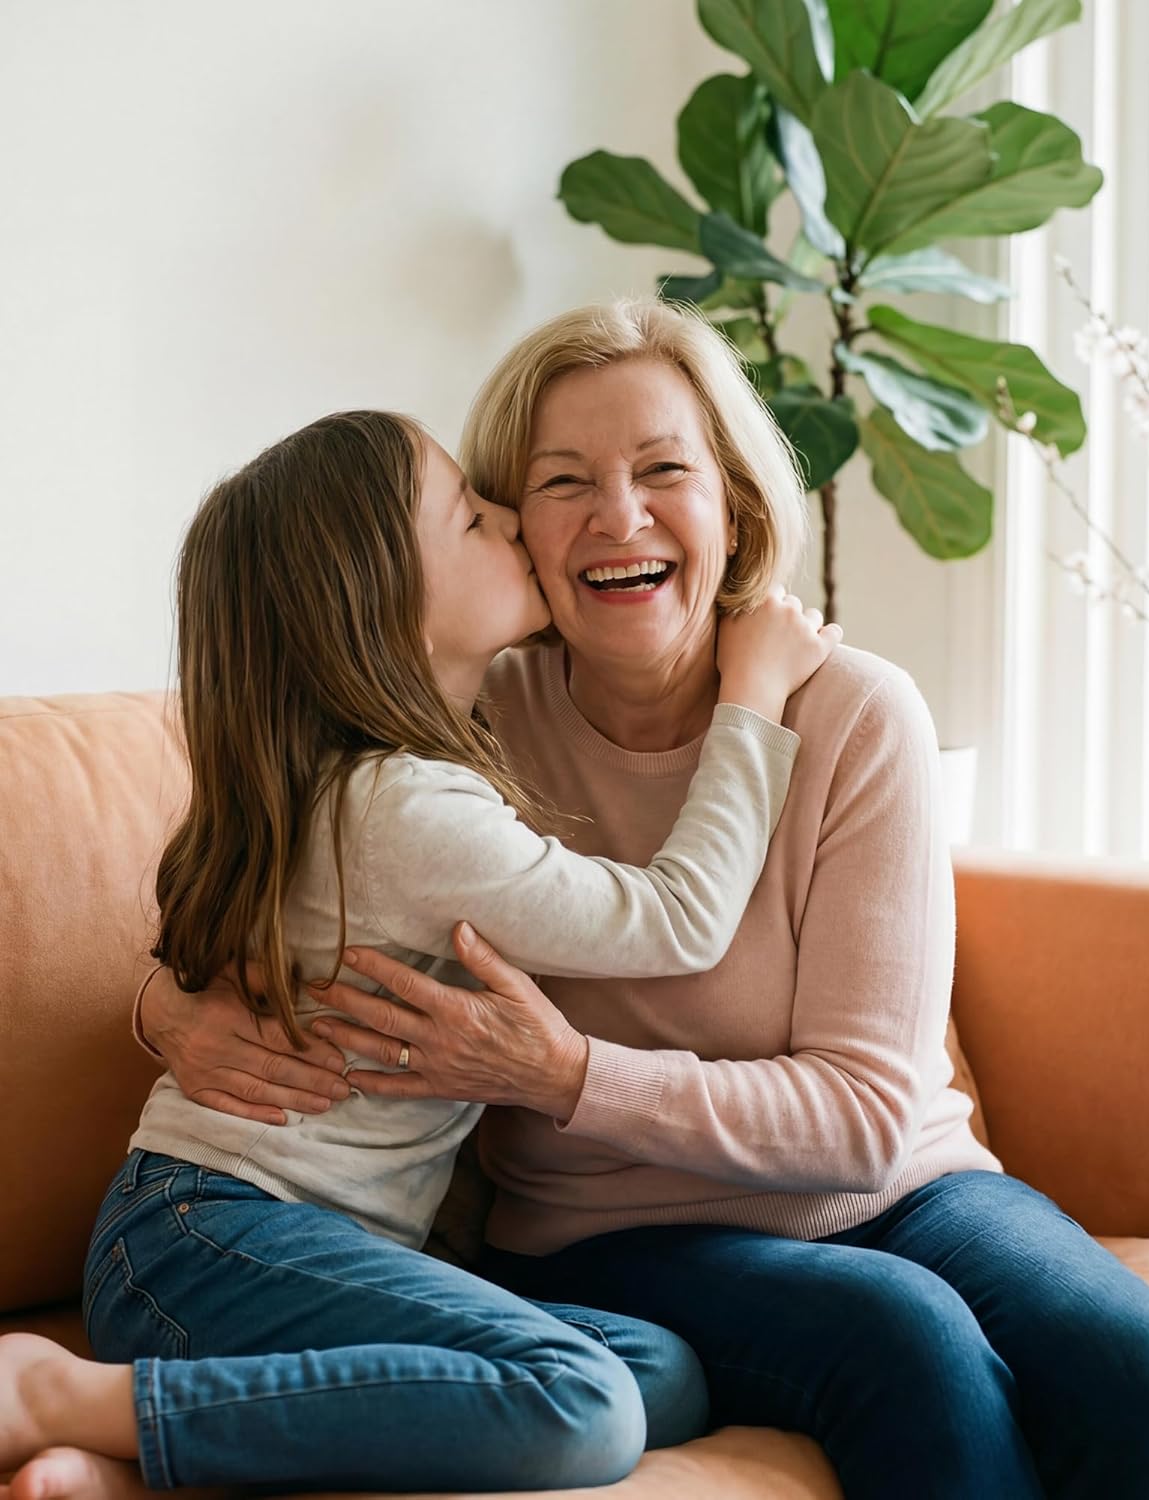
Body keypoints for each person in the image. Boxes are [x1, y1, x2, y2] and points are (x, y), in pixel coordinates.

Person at [131, 299, 1149, 1500]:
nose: (618, 515)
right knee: (907, 1342)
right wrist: (168, 1009)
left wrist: (565, 1075)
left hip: (901, 1185)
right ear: (515, 529)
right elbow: (260, 849)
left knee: (1142, 1360)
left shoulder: (851, 713)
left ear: (734, 504)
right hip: (608, 1234)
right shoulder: (460, 712)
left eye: (662, 470)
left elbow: (861, 1122)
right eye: (562, 481)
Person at [0, 408, 843, 1500]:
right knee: (584, 1403)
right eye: (474, 516)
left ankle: (135, 1458)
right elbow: (674, 919)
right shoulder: (400, 806)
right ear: (388, 604)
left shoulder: (383, 775)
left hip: (283, 1261)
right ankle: (49, 1396)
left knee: (661, 1373)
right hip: (205, 1245)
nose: (510, 521)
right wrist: (755, 694)